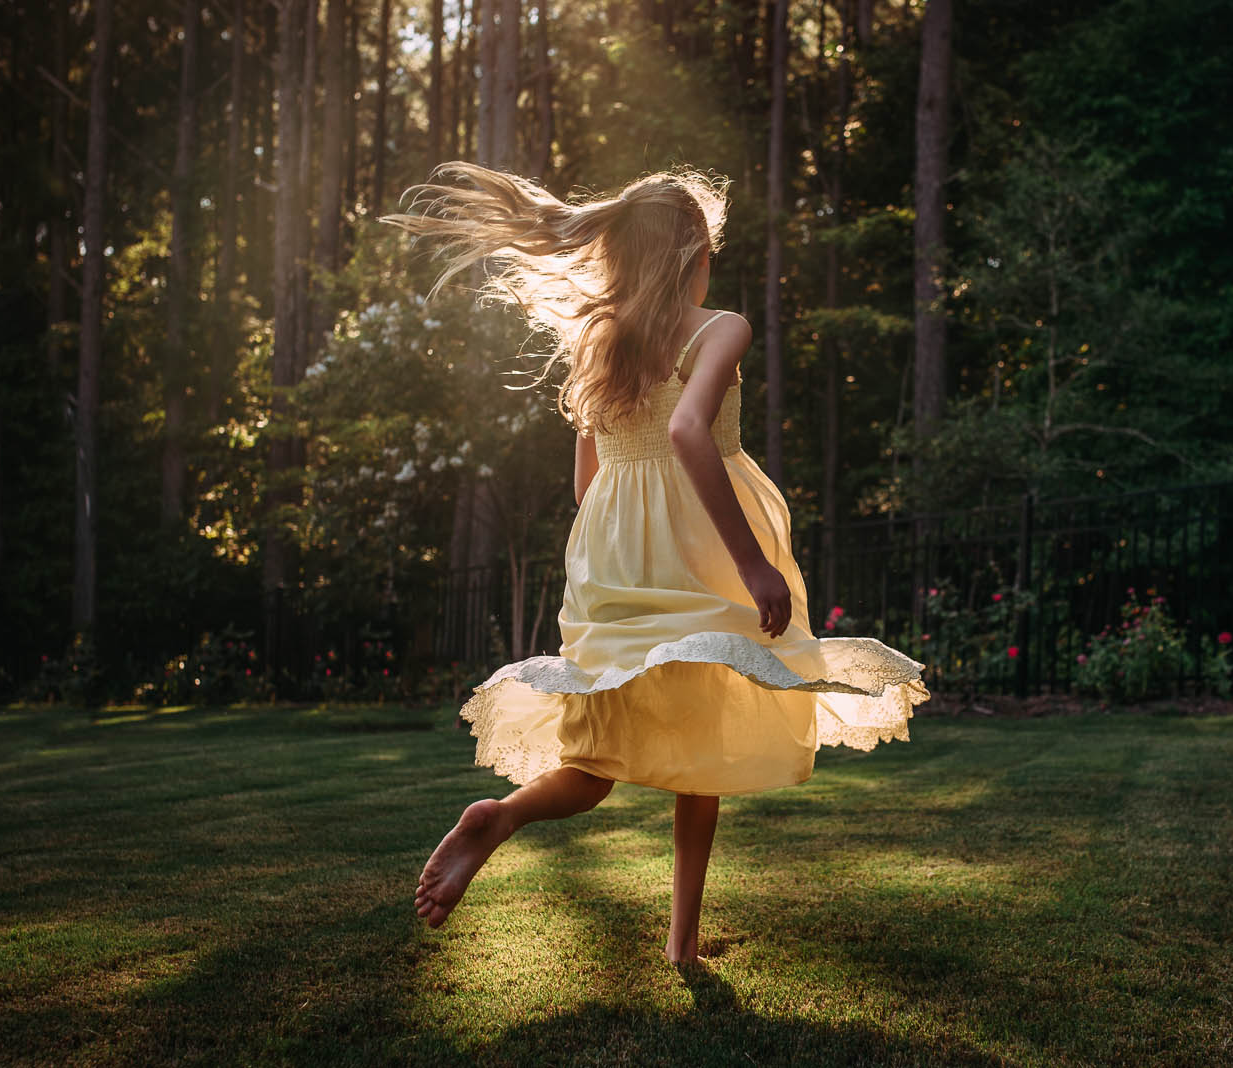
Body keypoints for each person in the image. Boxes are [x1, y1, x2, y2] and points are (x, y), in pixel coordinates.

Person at [382, 164, 930, 964]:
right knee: (698, 748)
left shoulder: (601, 343)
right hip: (700, 547)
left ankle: (508, 819)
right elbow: (686, 433)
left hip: (614, 556)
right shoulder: (721, 328)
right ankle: (677, 939)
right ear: (696, 257)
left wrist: (626, 535)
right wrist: (753, 567)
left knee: (596, 760)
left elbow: (586, 484)